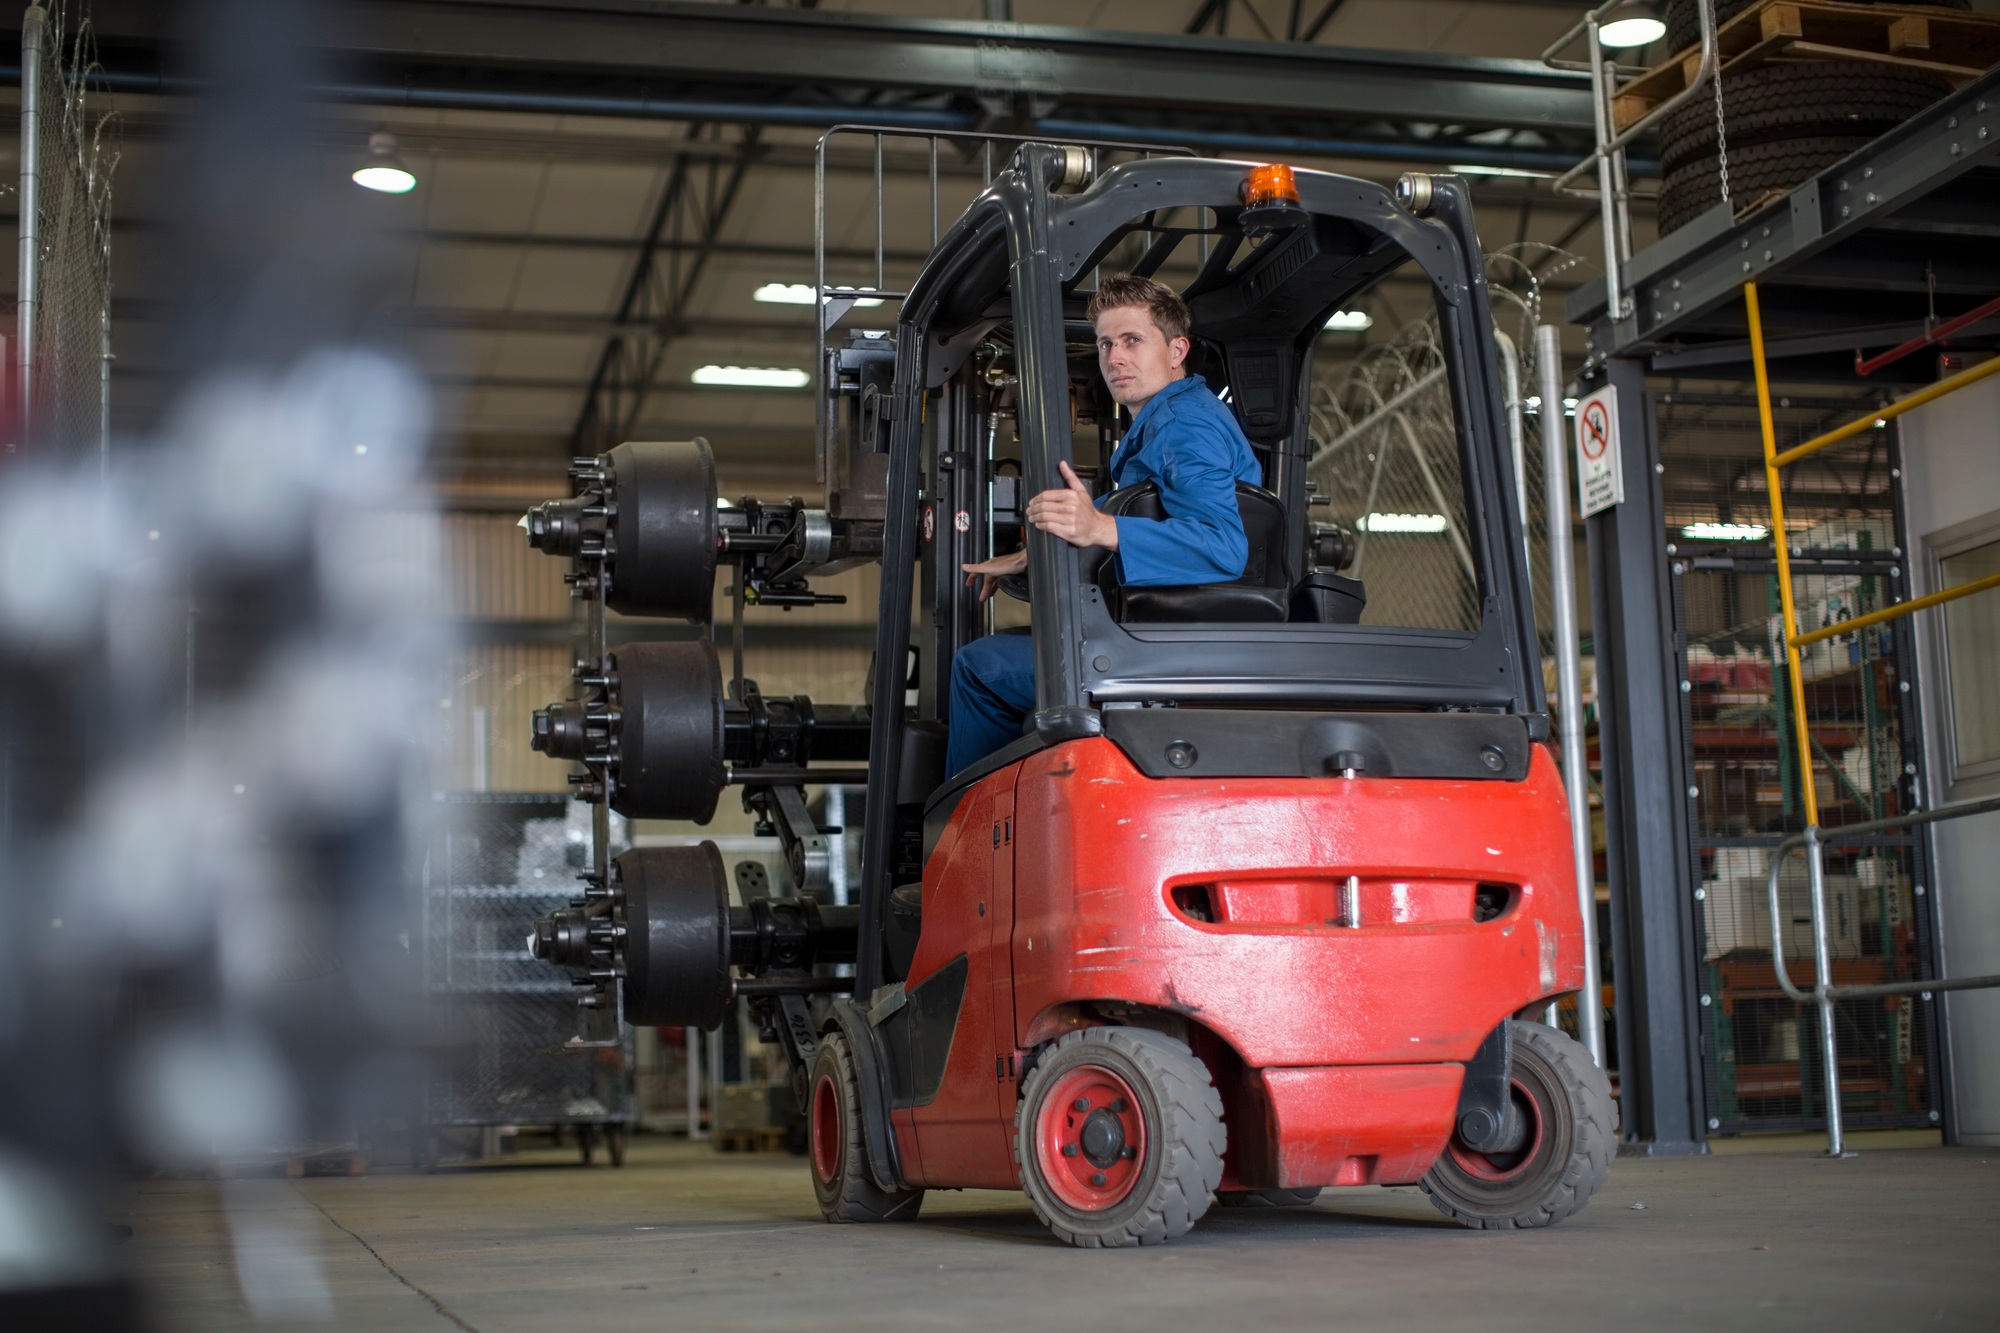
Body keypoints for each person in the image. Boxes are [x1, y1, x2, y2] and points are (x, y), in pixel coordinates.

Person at [945, 272, 1262, 774]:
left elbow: (1223, 546)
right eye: (1105, 344)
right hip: (1158, 631)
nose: (1114, 359)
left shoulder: (1185, 428)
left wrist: (1096, 529)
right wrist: (1037, 553)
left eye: (1133, 341)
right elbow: (1145, 515)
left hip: (1162, 646)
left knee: (978, 668)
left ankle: (963, 835)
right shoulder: (1166, 420)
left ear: (1177, 350)